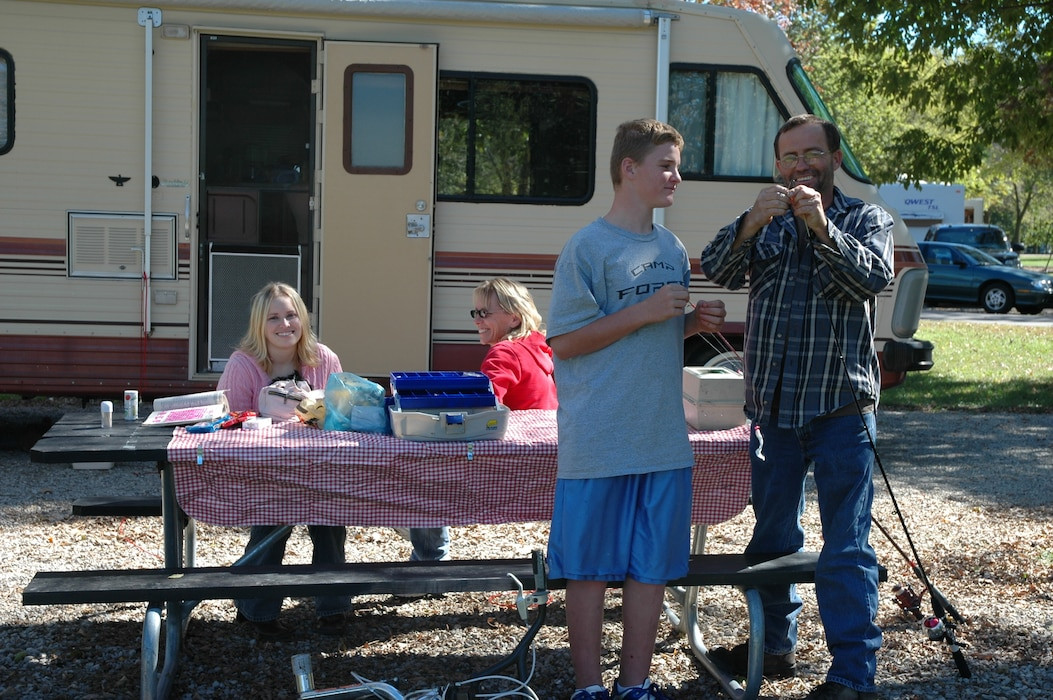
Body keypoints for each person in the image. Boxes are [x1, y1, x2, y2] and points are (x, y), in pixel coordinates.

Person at [699, 114, 893, 700]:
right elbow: (717, 267)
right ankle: (776, 648)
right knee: (773, 537)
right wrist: (753, 220)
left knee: (847, 544)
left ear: (834, 158)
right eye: (789, 157)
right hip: (772, 411)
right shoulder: (767, 221)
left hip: (841, 411)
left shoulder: (865, 218)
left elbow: (870, 279)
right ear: (777, 165)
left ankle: (852, 675)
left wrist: (821, 226)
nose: (801, 165)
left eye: (812, 153)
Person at [545, 118, 727, 700]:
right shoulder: (587, 247)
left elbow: (656, 334)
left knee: (651, 570)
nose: (677, 176)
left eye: (678, 165)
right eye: (666, 165)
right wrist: (645, 312)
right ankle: (589, 689)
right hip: (599, 438)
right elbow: (564, 344)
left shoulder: (671, 247)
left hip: (661, 439)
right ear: (629, 168)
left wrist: (692, 324)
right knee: (590, 571)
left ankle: (635, 686)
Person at [216, 281, 350, 640]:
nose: (284, 324)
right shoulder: (243, 364)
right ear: (260, 324)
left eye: (291, 315)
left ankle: (334, 609)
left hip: (321, 468)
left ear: (303, 319)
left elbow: (341, 415)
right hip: (262, 472)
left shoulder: (324, 358)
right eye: (274, 317)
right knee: (271, 524)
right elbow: (223, 423)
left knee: (331, 524)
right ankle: (257, 611)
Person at [472, 277, 558, 410]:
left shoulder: (505, 352)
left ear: (514, 319)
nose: (476, 320)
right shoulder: (542, 349)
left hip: (520, 430)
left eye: (484, 313)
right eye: (475, 313)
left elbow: (486, 409)